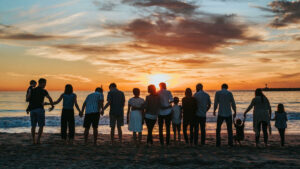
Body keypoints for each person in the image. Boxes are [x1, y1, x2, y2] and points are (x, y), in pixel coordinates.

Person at [28, 78, 54, 144]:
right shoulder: (43, 91)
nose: (45, 85)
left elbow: (29, 100)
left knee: (33, 126)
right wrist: (52, 106)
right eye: (45, 83)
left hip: (32, 110)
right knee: (41, 125)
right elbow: (50, 98)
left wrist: (28, 109)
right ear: (42, 83)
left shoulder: (33, 90)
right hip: (39, 109)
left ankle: (33, 140)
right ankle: (38, 140)